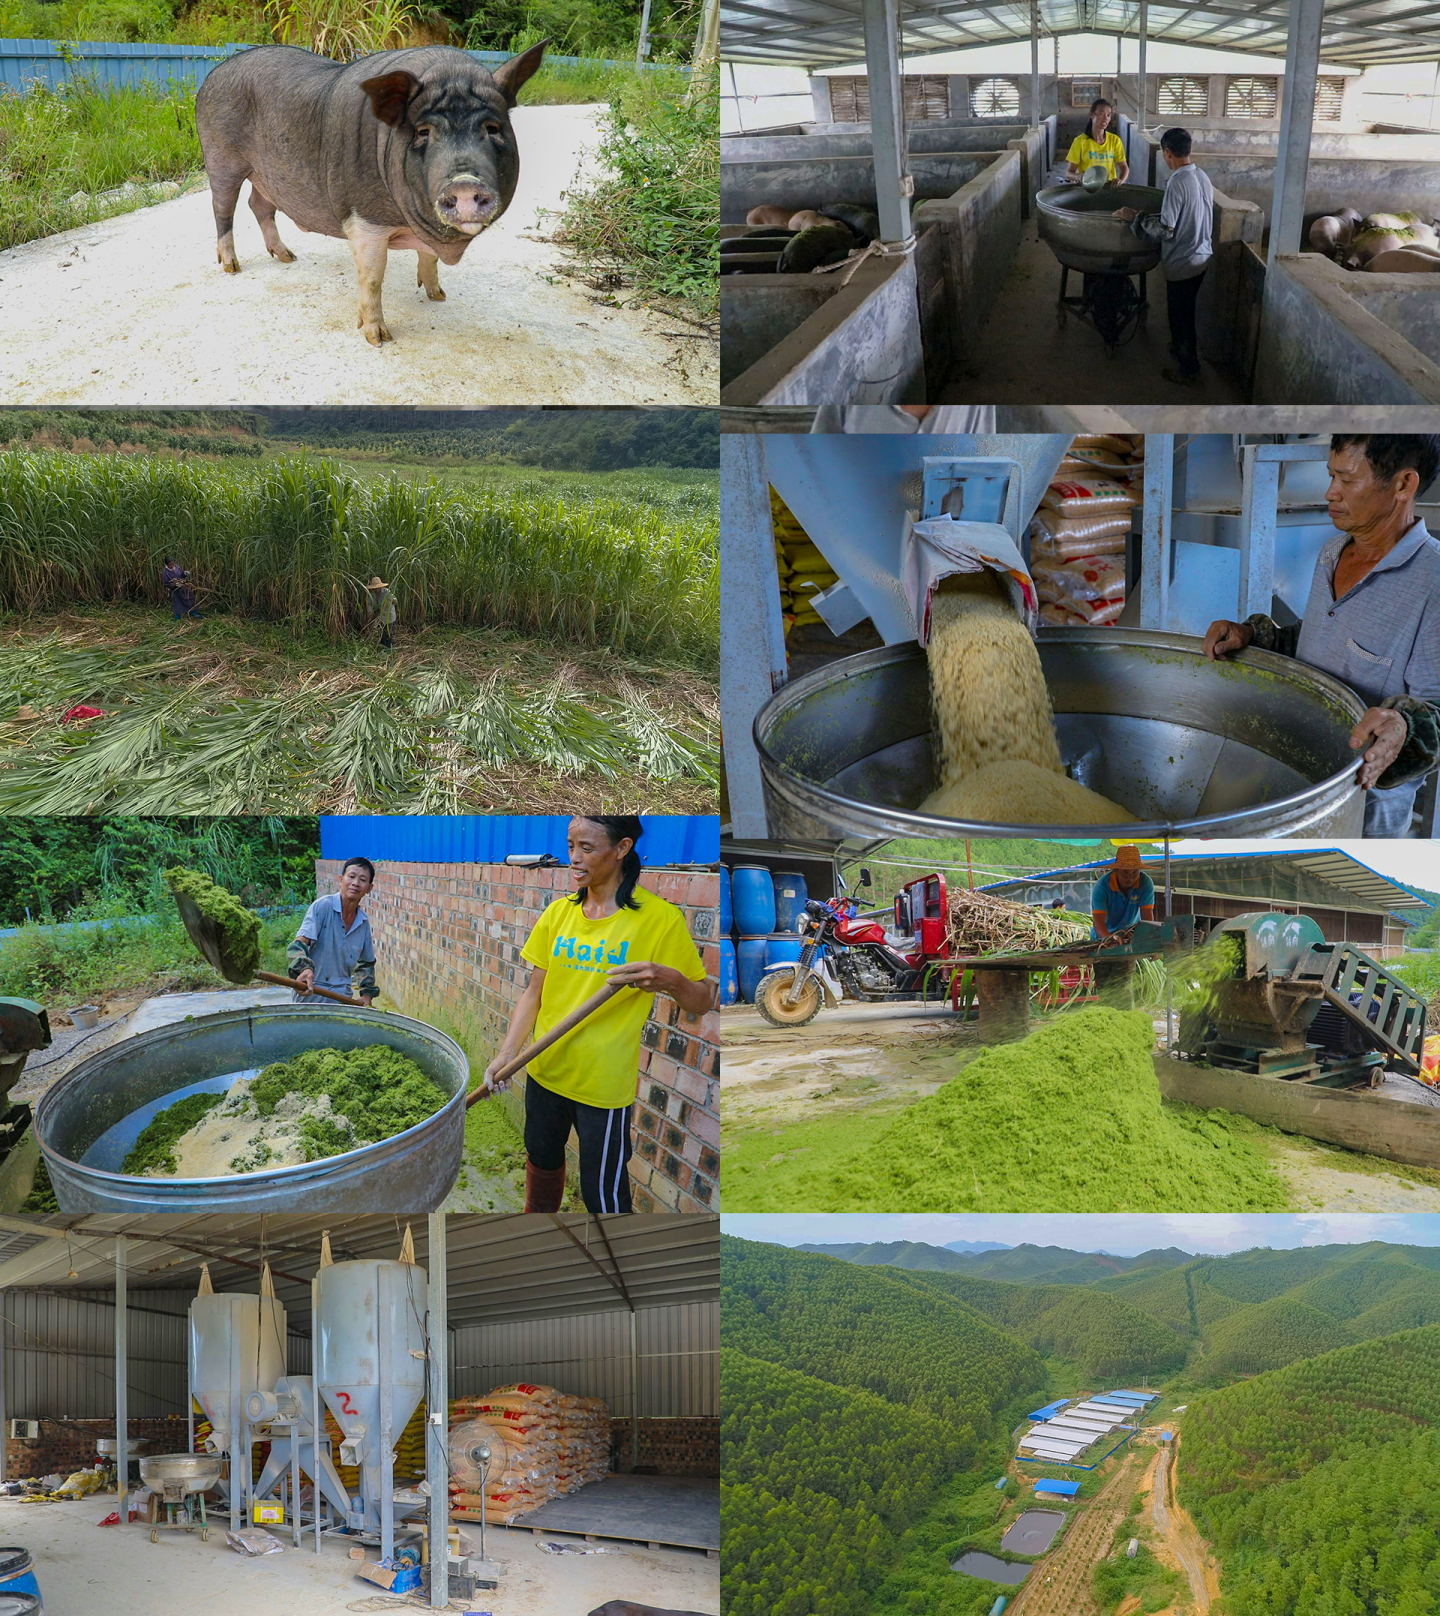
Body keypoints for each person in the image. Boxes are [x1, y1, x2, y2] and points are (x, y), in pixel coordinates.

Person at [1204, 433, 1440, 838]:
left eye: (1347, 481)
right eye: (1331, 476)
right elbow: (1318, 642)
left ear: (1403, 485)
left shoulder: (1432, 582)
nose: (1330, 493)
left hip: (1361, 808)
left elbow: (1434, 712)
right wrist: (1255, 636)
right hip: (1297, 774)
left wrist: (1404, 728)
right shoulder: (1332, 553)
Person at [484, 815, 712, 1214]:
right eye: (571, 846)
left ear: (621, 848)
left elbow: (701, 1000)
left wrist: (670, 979)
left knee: (603, 1194)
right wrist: (507, 1054)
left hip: (601, 1087)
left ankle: (615, 1268)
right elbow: (533, 994)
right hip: (543, 1069)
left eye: (586, 848)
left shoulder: (659, 920)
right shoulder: (559, 915)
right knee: (542, 1165)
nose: (573, 857)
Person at [1115, 128, 1213, 386]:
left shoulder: (1177, 183)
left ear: (1167, 153)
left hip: (1183, 261)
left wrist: (1134, 217)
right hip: (1201, 254)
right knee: (1186, 311)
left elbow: (1165, 230)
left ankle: (1188, 369)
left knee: (1180, 318)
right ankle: (1180, 349)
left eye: (1164, 154)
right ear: (1189, 150)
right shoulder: (1201, 176)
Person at [288, 856, 378, 1005]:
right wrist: (304, 969)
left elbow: (366, 964)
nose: (355, 883)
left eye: (362, 880)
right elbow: (298, 945)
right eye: (351, 876)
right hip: (310, 992)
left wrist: (367, 995)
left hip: (341, 998)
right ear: (341, 879)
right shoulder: (322, 907)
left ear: (369, 888)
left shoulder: (362, 923)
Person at [1090, 846, 1155, 940]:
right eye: (1125, 872)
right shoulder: (1102, 886)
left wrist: (1146, 939)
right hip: (1103, 936)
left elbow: (1147, 918)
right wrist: (1109, 941)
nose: (1130, 877)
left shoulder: (1145, 882)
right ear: (1116, 870)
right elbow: (1099, 922)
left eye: (1134, 873)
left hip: (1129, 936)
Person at [1065, 99, 1129, 185]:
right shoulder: (1080, 142)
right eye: (1102, 114)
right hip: (1088, 187)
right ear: (1092, 114)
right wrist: (1078, 176)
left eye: (1108, 115)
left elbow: (1124, 167)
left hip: (1108, 187)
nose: (1106, 118)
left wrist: (1121, 180)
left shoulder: (1115, 140)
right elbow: (1069, 172)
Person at [366, 575, 397, 650]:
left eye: (377, 587)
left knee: (388, 631)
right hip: (379, 616)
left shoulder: (387, 593)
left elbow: (392, 602)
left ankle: (389, 647)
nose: (376, 589)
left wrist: (394, 600)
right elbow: (369, 604)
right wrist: (370, 612)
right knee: (382, 631)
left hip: (389, 615)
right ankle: (383, 646)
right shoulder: (372, 594)